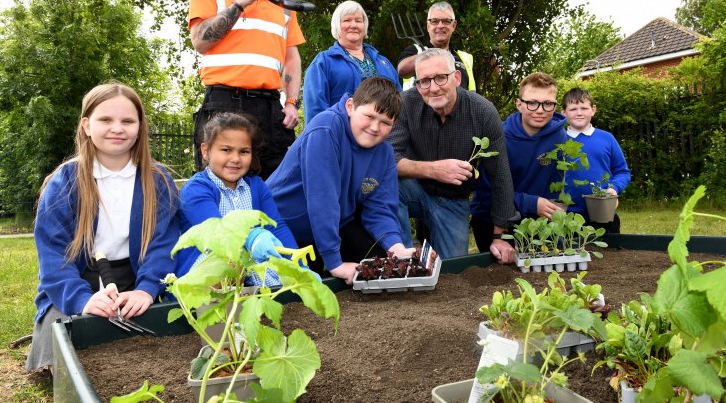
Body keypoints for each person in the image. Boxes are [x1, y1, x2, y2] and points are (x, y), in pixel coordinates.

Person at [26, 83, 180, 373]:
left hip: (134, 277)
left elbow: (163, 244)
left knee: (148, 356)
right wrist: (83, 300)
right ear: (86, 125)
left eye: (127, 121)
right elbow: (54, 257)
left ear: (140, 126)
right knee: (64, 361)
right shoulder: (65, 182)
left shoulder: (157, 180)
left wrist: (146, 291)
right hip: (76, 280)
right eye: (105, 120)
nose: (117, 129)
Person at [266, 77, 413, 284]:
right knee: (303, 289)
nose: (374, 127)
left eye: (385, 122)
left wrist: (396, 246)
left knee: (381, 260)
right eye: (369, 116)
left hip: (336, 224)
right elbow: (322, 202)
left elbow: (380, 208)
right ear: (350, 106)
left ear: (394, 124)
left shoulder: (385, 154)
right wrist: (336, 263)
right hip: (285, 225)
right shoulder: (325, 129)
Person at [188, 0, 305, 178]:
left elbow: (291, 58)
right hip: (225, 102)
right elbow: (200, 41)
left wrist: (292, 103)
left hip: (271, 108)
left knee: (279, 189)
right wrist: (242, 1)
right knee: (223, 194)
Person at [388, 48, 518, 262]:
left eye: (440, 78)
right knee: (387, 185)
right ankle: (402, 258)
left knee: (454, 272)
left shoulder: (482, 112)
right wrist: (434, 170)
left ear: (457, 78)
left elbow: (501, 176)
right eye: (424, 81)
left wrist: (500, 235)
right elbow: (386, 160)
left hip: (453, 201)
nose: (433, 88)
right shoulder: (406, 104)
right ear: (417, 85)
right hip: (415, 190)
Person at [176, 112, 299, 281]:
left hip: (250, 265)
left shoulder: (256, 186)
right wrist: (252, 238)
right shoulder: (196, 189)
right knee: (230, 268)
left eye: (244, 151)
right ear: (205, 151)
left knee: (285, 279)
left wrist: (297, 264)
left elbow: (276, 227)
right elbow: (216, 233)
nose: (235, 159)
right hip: (207, 269)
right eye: (226, 150)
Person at [470, 72, 567, 252]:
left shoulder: (560, 137)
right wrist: (530, 203)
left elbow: (556, 184)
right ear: (519, 104)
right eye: (532, 103)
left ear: (555, 106)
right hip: (491, 220)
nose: (540, 110)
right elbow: (485, 194)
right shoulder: (499, 138)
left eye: (548, 104)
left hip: (536, 220)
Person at [303, 0, 402, 125]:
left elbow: (399, 102)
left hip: (383, 136)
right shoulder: (323, 63)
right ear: (336, 26)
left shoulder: (383, 62)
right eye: (347, 20)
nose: (353, 25)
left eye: (358, 20)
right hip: (341, 136)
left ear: (364, 26)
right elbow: (315, 109)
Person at [562, 87, 631, 233]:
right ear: (563, 112)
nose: (579, 113)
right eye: (573, 109)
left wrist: (613, 189)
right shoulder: (558, 141)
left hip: (604, 215)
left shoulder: (607, 138)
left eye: (584, 108)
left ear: (593, 110)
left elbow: (622, 172)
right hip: (567, 216)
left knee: (610, 254)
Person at [396, 1, 476, 92]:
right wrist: (430, 55)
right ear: (428, 26)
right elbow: (402, 71)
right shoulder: (415, 50)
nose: (440, 25)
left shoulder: (466, 59)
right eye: (435, 21)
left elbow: (477, 96)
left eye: (446, 21)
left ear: (453, 25)